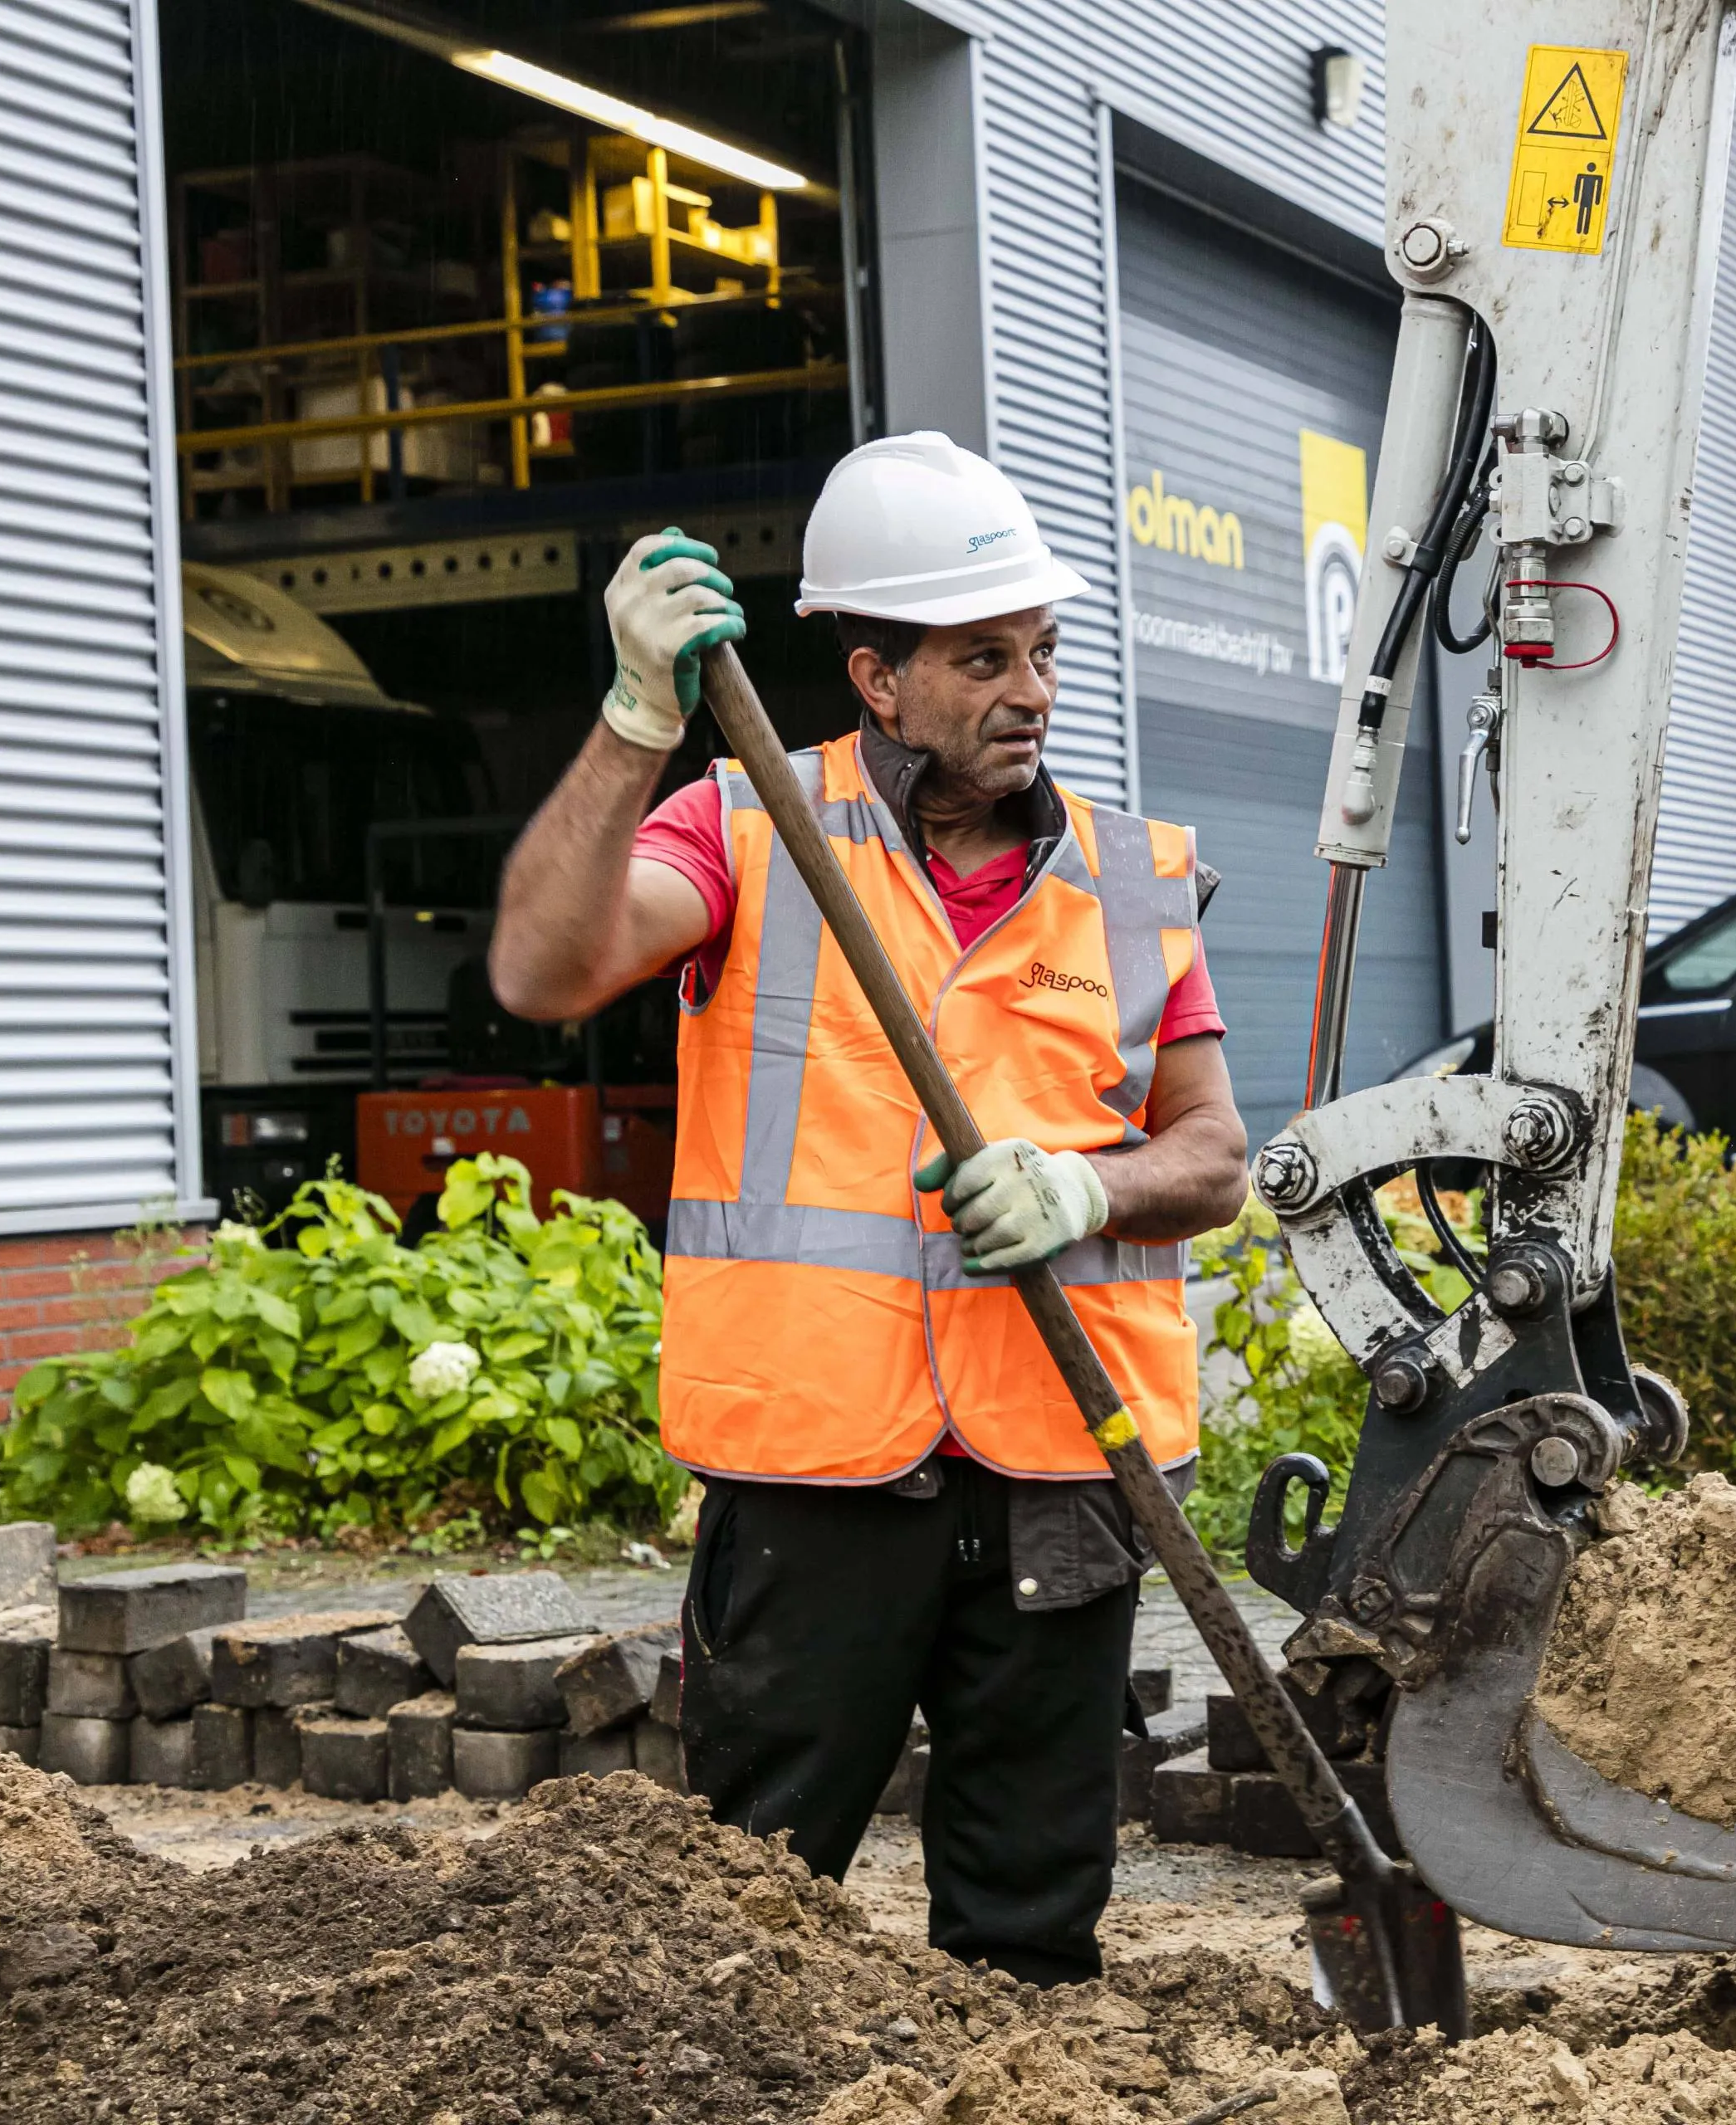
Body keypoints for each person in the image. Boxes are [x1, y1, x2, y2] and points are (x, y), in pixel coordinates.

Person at [489, 431, 1248, 1983]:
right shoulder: (746, 826)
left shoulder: (1129, 874)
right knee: (749, 1917)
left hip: (1061, 1464)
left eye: (1040, 651)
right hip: (817, 1471)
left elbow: (1215, 1156)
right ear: (877, 679)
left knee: (1031, 1929)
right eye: (983, 658)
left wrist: (1081, 1182)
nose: (1030, 689)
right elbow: (541, 971)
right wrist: (636, 722)